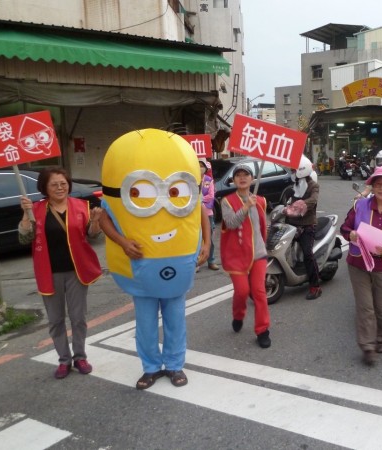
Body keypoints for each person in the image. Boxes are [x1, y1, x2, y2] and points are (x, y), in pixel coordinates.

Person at [99, 128, 210, 390]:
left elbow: (200, 211)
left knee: (176, 321)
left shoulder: (187, 192)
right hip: (142, 266)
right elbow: (104, 217)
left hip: (178, 262)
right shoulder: (118, 193)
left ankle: (174, 365)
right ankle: (150, 367)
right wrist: (123, 242)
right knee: (146, 325)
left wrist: (207, 242)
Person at [18, 167, 102, 379]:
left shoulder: (81, 206)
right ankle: (64, 360)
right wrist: (25, 217)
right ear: (45, 187)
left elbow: (91, 236)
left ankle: (80, 356)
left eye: (63, 183)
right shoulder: (35, 209)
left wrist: (95, 221)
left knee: (78, 318)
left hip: (76, 271)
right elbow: (24, 240)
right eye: (54, 184)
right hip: (49, 272)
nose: (60, 188)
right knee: (55, 320)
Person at [340, 166, 382, 366]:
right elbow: (345, 227)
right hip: (357, 262)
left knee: (381, 309)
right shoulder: (359, 205)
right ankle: (367, 346)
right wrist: (350, 234)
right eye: (378, 184)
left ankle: (380, 338)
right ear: (372, 186)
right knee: (365, 307)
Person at [220, 164, 271, 348]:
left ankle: (263, 330)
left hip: (258, 254)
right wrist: (245, 207)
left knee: (259, 292)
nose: (242, 178)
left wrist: (265, 247)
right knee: (242, 292)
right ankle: (238, 315)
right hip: (237, 256)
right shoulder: (227, 201)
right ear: (234, 180)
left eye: (246, 175)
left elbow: (263, 227)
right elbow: (231, 223)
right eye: (238, 175)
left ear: (252, 179)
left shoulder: (261, 201)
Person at [285, 155, 322, 300]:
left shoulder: (313, 185)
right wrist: (283, 208)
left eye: (294, 170)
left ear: (301, 170)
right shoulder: (294, 185)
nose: (292, 172)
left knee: (307, 254)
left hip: (307, 225)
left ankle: (315, 286)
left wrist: (297, 206)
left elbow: (313, 200)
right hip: (292, 224)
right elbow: (288, 199)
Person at [199, 158, 220, 271]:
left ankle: (211, 261)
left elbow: (211, 196)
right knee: (197, 239)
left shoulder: (209, 180)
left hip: (208, 213)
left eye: (202, 165)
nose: (200, 168)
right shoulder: (193, 180)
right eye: (198, 165)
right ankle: (198, 261)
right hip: (196, 214)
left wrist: (199, 200)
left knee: (209, 239)